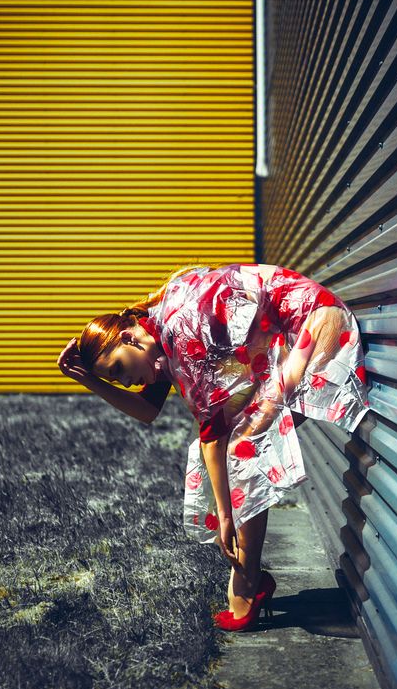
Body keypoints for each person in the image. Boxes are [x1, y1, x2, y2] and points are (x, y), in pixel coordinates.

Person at [57, 262, 369, 631]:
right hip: (288, 343)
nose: (125, 382)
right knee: (240, 442)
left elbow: (214, 433)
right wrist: (85, 379)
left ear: (129, 338)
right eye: (117, 380)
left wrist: (226, 515)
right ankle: (250, 575)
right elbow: (147, 410)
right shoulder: (157, 337)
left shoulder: (178, 328)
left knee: (244, 444)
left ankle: (248, 580)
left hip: (318, 327)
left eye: (119, 370)